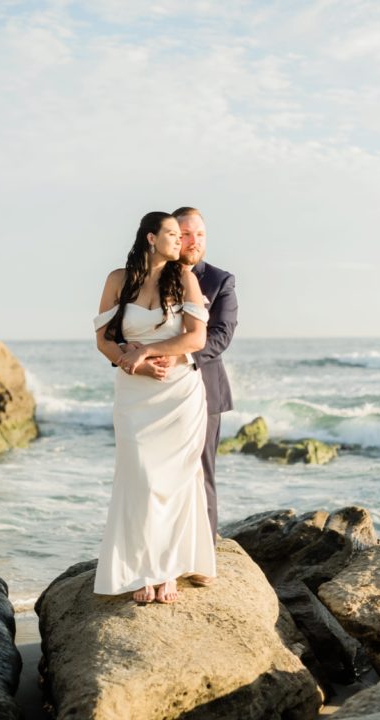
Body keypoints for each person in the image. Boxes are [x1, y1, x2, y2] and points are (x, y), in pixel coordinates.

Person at [93, 211, 217, 604]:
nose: (180, 242)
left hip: (178, 392)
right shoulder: (118, 280)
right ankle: (140, 569)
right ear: (150, 238)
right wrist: (136, 363)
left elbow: (196, 338)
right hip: (134, 393)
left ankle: (167, 572)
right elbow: (104, 340)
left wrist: (150, 349)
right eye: (171, 235)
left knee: (176, 482)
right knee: (141, 479)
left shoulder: (185, 278)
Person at [172, 206, 238, 544]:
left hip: (205, 390)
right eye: (186, 234)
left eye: (200, 234)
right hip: (160, 392)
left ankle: (205, 546)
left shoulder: (219, 280)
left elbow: (222, 334)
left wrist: (176, 356)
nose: (194, 241)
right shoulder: (152, 277)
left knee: (202, 471)